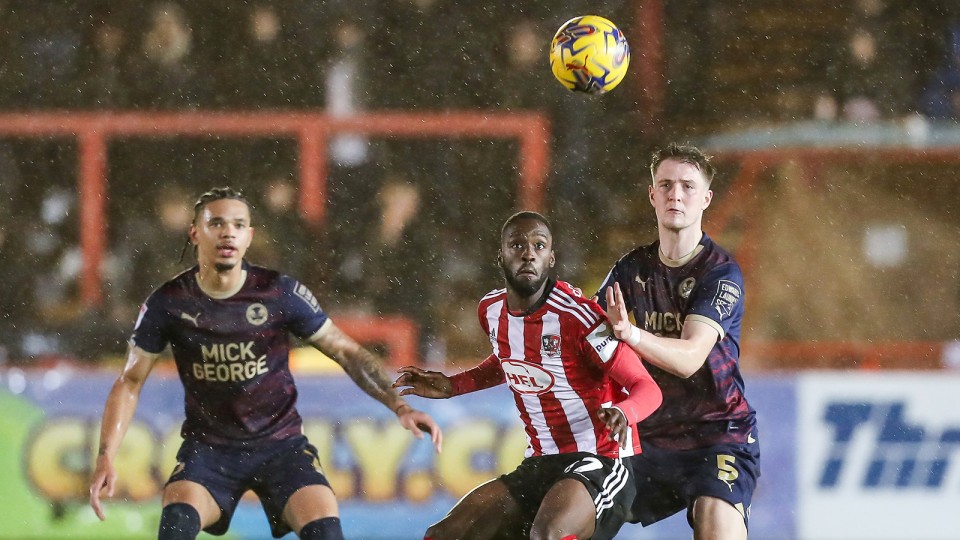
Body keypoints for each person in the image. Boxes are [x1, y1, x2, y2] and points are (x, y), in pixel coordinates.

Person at [88, 187, 442, 540]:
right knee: (176, 524)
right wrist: (106, 456)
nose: (228, 232)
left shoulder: (280, 293)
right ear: (194, 234)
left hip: (281, 447)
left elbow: (347, 352)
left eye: (238, 225)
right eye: (217, 223)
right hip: (209, 452)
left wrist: (399, 405)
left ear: (249, 236)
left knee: (326, 531)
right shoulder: (168, 302)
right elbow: (130, 381)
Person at [393, 211, 662, 540]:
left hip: (601, 460)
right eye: (517, 245)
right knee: (444, 534)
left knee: (547, 534)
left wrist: (625, 411)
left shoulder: (581, 317)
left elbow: (646, 387)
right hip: (540, 464)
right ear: (501, 256)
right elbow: (508, 360)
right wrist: (453, 385)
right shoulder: (491, 311)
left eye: (539, 245)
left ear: (551, 258)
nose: (528, 253)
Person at [595, 143, 759, 539]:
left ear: (706, 199)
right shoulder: (629, 269)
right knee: (565, 516)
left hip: (716, 434)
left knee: (716, 522)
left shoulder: (721, 272)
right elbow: (590, 340)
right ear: (652, 195)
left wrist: (630, 334)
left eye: (688, 186)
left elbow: (689, 358)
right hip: (646, 436)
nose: (676, 195)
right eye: (666, 185)